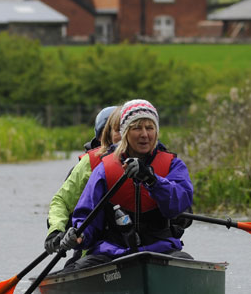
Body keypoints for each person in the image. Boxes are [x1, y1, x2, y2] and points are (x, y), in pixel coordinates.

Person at [58, 99, 194, 272]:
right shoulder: (104, 169)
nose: (145, 134)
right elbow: (87, 215)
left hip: (162, 250)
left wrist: (153, 180)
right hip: (112, 252)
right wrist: (79, 235)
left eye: (150, 128)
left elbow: (179, 203)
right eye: (137, 128)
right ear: (125, 133)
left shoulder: (173, 165)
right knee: (76, 270)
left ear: (156, 132)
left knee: (186, 263)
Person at [44, 106, 122, 256]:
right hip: (92, 247)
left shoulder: (146, 161)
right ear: (103, 136)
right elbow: (61, 202)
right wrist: (56, 231)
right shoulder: (88, 164)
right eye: (117, 130)